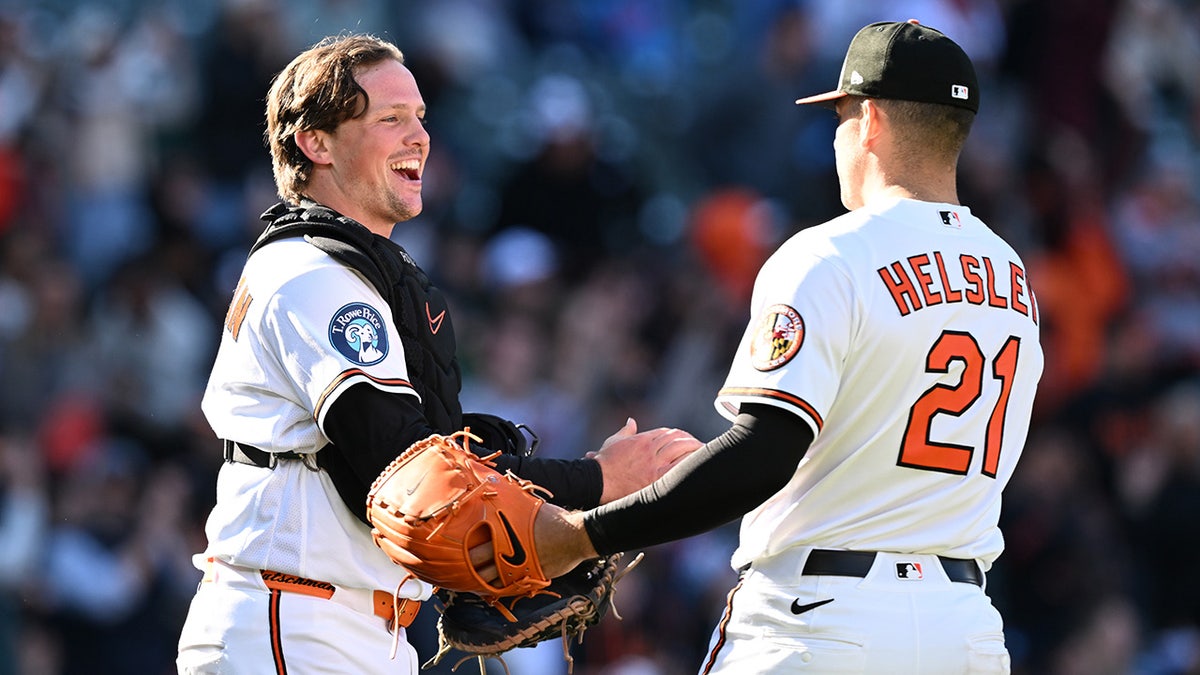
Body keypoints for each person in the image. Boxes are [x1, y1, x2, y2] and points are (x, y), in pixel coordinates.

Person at [521, 20, 1043, 674]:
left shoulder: (830, 254)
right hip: (963, 625)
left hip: (824, 617)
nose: (837, 136)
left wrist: (586, 533)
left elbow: (763, 453)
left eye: (841, 117)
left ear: (871, 120)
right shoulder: (1013, 277)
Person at [175, 33, 696, 675]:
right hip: (293, 617)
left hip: (349, 622)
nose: (419, 137)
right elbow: (406, 468)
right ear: (316, 143)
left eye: (420, 117)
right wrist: (595, 483)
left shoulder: (349, 272)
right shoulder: (312, 276)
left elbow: (423, 453)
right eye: (390, 118)